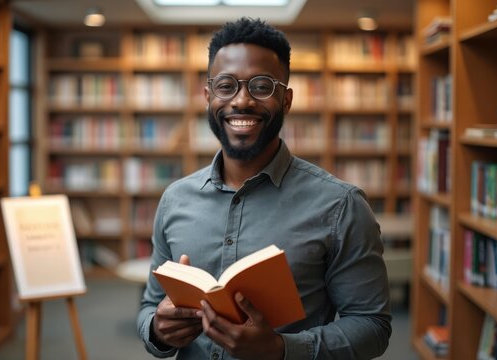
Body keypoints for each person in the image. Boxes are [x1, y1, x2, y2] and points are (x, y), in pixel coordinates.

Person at [137, 17, 391, 360]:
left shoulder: (341, 205)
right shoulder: (175, 199)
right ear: (208, 95)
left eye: (261, 86)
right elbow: (151, 305)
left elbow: (372, 326)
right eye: (226, 86)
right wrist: (157, 329)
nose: (242, 101)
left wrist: (280, 349)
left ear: (285, 101)